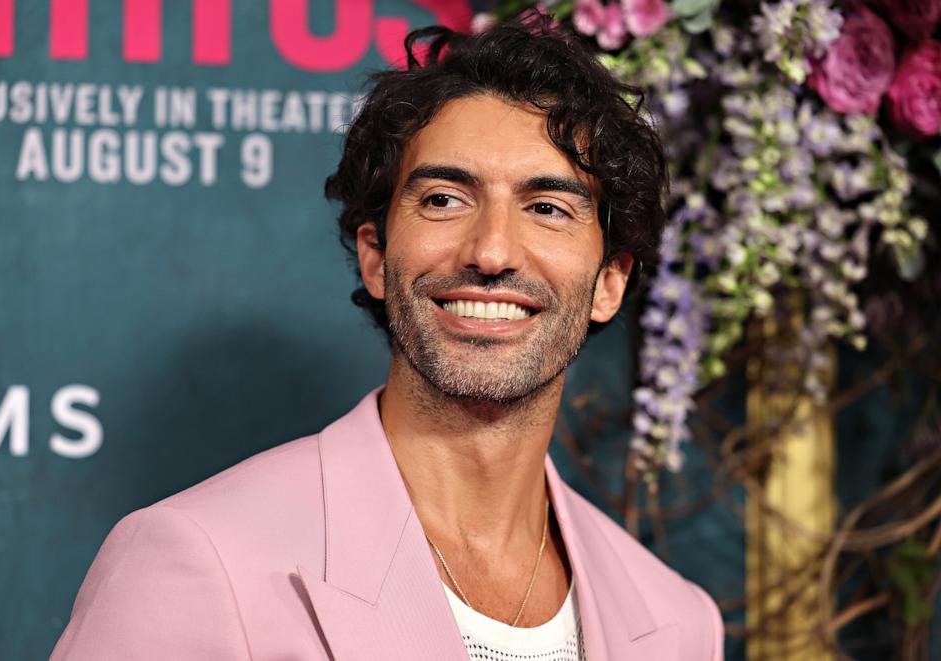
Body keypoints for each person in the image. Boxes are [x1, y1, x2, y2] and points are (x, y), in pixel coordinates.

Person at [51, 16, 724, 661]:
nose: (491, 251)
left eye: (547, 208)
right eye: (443, 199)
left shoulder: (677, 622)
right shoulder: (198, 561)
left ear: (610, 279)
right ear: (375, 256)